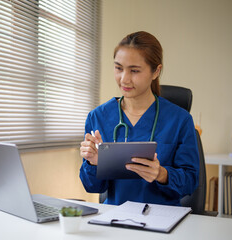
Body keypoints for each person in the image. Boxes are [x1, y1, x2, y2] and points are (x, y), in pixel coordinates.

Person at [79, 31, 199, 206]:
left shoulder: (180, 120)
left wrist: (161, 174)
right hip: (114, 218)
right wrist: (93, 162)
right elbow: (91, 186)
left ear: (155, 71)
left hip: (163, 220)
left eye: (134, 70)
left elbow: (191, 182)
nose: (124, 79)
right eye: (118, 68)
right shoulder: (98, 117)